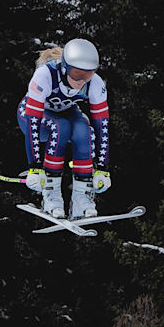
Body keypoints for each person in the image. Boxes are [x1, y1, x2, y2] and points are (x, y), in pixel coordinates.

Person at [16, 38, 111, 219]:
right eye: (76, 74)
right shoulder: (45, 75)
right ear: (65, 67)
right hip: (33, 116)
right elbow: (32, 122)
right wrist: (34, 167)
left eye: (88, 74)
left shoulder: (95, 83)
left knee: (85, 132)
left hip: (66, 112)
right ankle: (51, 196)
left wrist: (102, 169)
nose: (81, 81)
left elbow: (102, 127)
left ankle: (82, 200)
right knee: (61, 127)